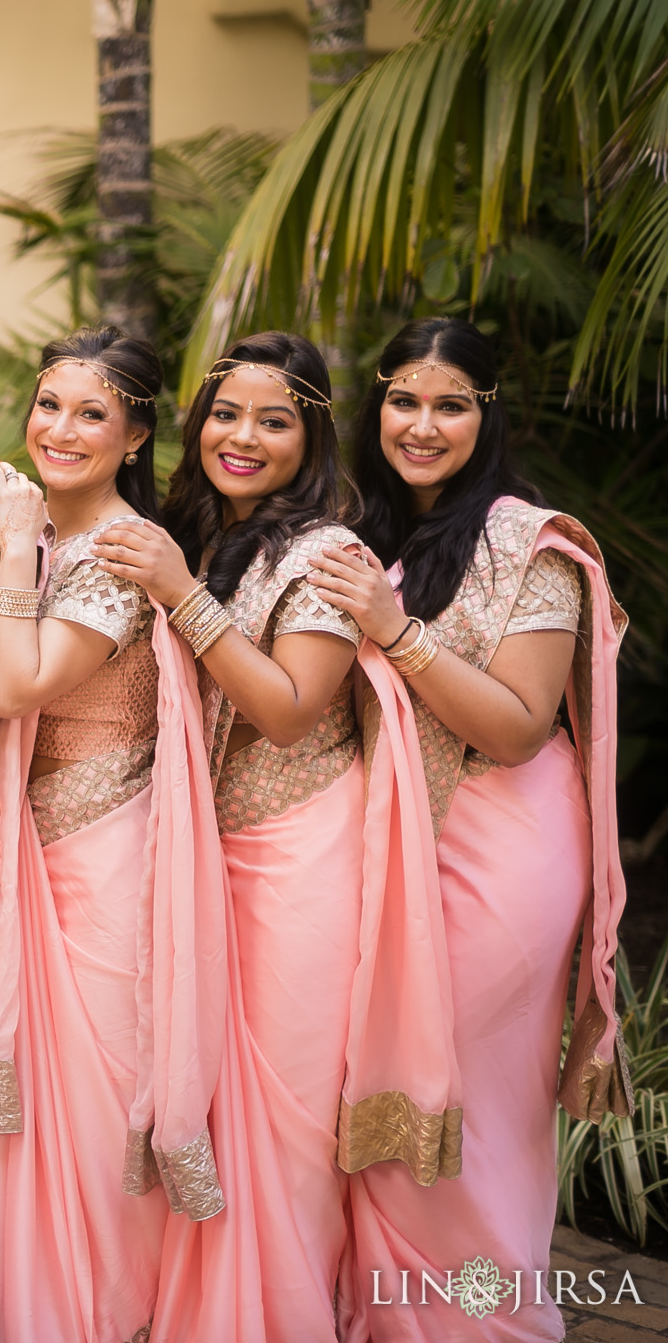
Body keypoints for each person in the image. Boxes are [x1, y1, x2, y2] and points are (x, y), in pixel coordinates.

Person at [308, 316, 629, 1343]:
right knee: (390, 1108)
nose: (420, 424)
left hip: (498, 858)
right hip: (392, 850)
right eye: (402, 399)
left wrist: (391, 632)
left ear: (484, 417)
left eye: (448, 404)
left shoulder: (529, 542)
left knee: (467, 1111)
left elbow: (519, 722)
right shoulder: (372, 533)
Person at [92, 332, 364, 1341]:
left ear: (311, 436)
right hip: (197, 858)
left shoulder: (328, 553)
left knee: (282, 1124)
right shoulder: (194, 534)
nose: (240, 436)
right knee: (204, 1108)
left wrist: (179, 592)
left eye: (273, 419)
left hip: (296, 860)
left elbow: (291, 708)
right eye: (224, 412)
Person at [0, 325, 227, 1343]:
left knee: (87, 1121)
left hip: (102, 864)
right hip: (31, 857)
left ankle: (99, 1319)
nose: (59, 428)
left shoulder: (118, 552)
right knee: (35, 1128)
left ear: (133, 437)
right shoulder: (32, 526)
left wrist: (3, 556)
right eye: (47, 404)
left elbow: (11, 683)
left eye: (90, 413)